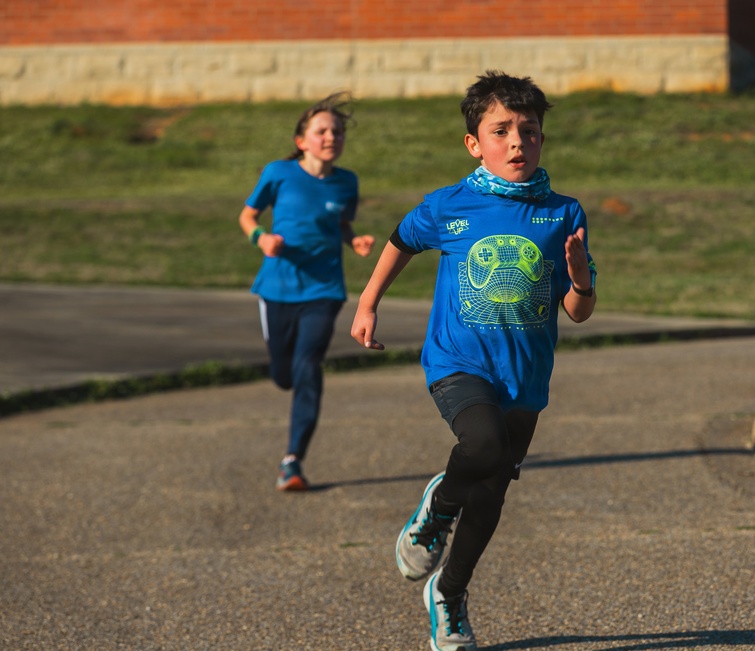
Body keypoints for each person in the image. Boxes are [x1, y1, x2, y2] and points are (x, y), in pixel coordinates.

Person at [350, 71, 597, 651]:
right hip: (457, 361)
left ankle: (449, 594)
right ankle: (438, 507)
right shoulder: (448, 206)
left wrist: (581, 280)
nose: (517, 143)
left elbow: (578, 311)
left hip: (526, 378)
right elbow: (400, 240)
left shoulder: (563, 212)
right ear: (474, 143)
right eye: (501, 131)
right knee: (481, 447)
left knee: (492, 491)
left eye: (529, 131)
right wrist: (367, 303)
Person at [239, 92, 375, 492]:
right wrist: (261, 239)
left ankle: (292, 460)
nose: (330, 136)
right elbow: (247, 216)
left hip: (324, 289)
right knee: (284, 375)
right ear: (302, 140)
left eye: (336, 131)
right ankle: (286, 382)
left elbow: (342, 225)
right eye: (321, 131)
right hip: (277, 288)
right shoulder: (278, 173)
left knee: (308, 367)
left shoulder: (347, 182)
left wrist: (355, 242)